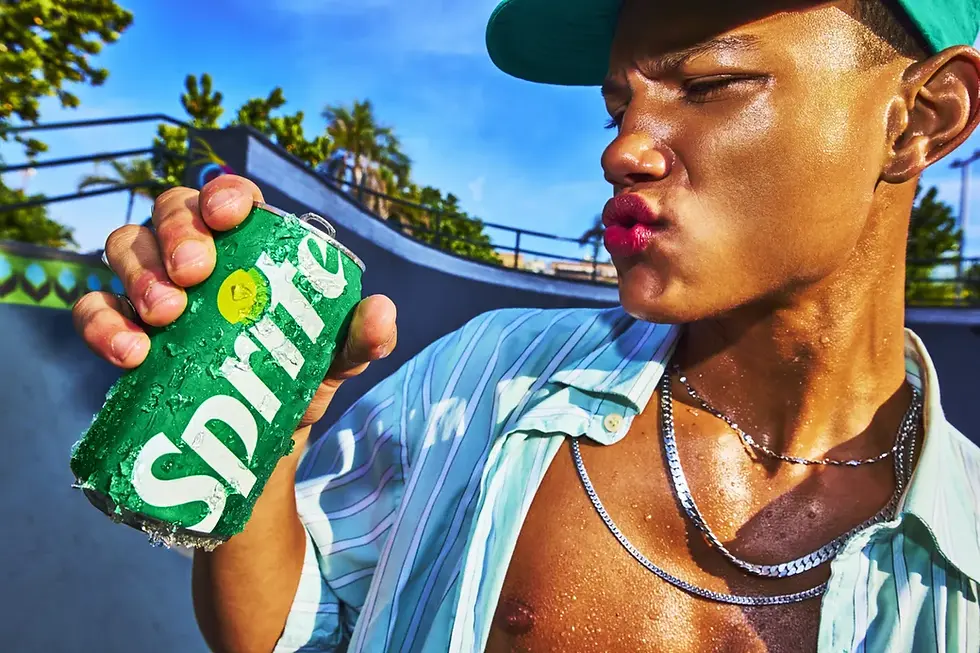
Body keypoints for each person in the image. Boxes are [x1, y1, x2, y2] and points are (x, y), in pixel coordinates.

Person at [73, 0, 980, 650]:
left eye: (710, 83)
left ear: (922, 119)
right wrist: (266, 440)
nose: (622, 146)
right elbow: (287, 632)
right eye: (619, 103)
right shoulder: (482, 378)